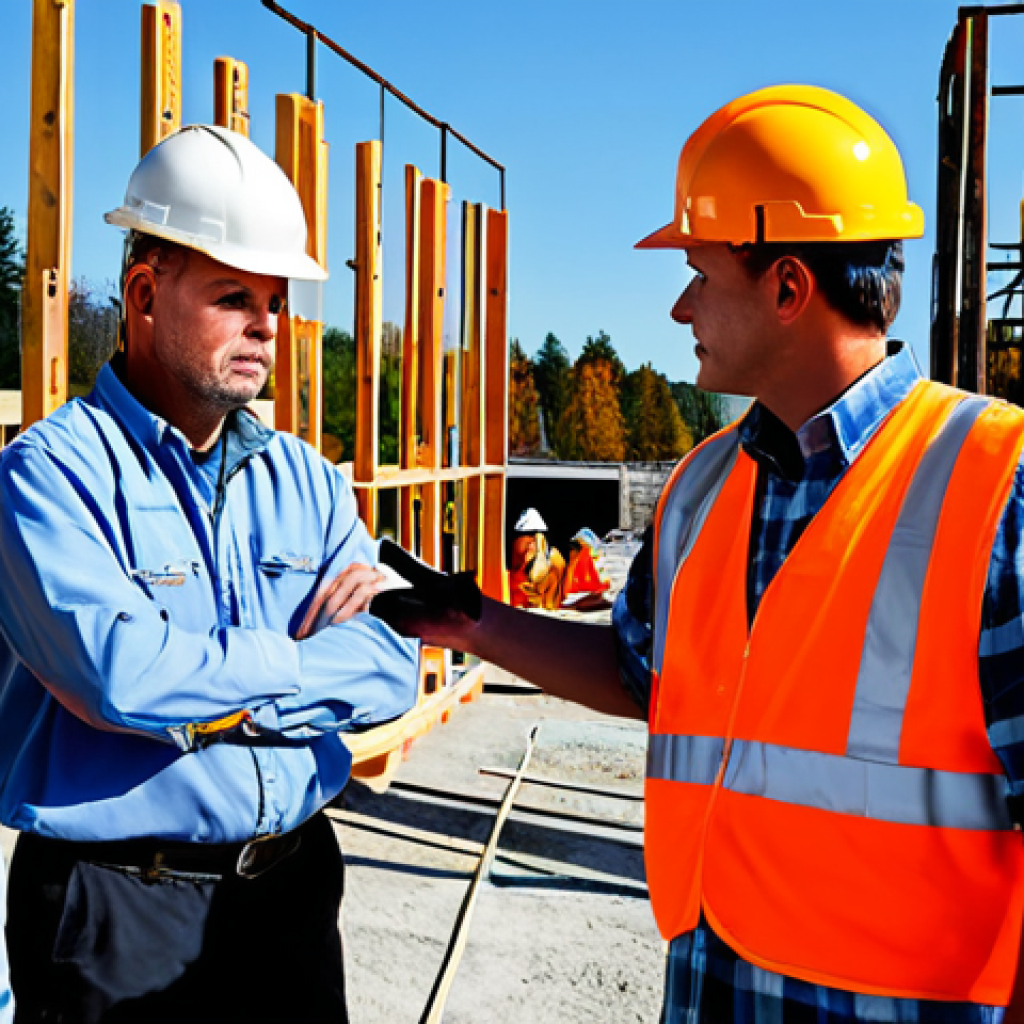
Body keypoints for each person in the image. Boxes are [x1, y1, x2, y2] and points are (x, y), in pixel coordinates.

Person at [356, 85, 1024, 1021]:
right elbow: (643, 673)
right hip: (717, 982)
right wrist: (471, 624)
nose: (680, 307)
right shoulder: (704, 485)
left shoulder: (995, 480)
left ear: (789, 287)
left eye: (702, 275)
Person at [0, 125, 418, 1023]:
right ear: (145, 295)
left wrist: (202, 679)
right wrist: (306, 664)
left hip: (294, 890)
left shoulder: (306, 479)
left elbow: (392, 663)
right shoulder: (51, 475)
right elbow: (118, 677)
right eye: (235, 296)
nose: (267, 326)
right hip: (117, 909)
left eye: (275, 301)